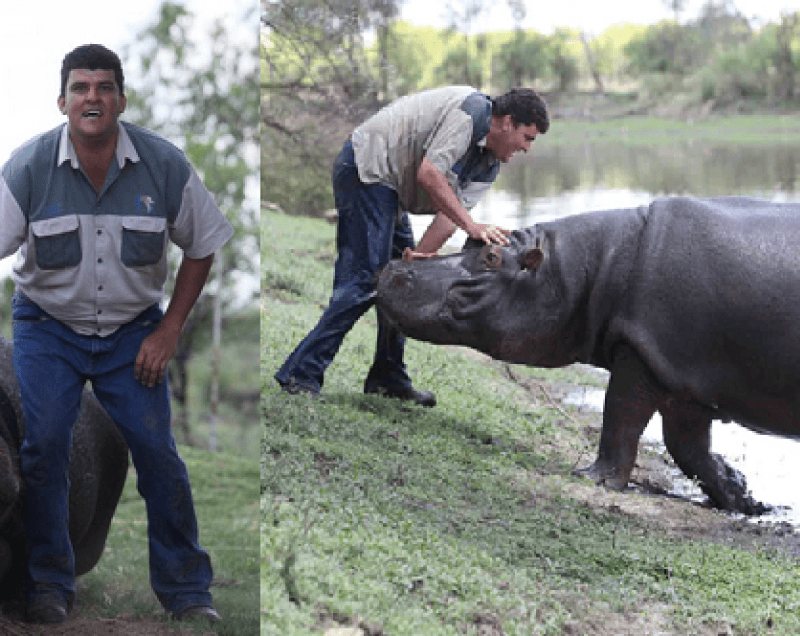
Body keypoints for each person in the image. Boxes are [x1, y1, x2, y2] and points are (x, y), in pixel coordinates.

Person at [0, 44, 234, 624]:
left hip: (134, 332)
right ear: (62, 101)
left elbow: (203, 246)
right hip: (47, 328)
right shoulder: (27, 169)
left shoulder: (163, 164)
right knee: (45, 446)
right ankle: (49, 585)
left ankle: (186, 591)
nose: (92, 97)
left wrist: (170, 329)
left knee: (159, 453)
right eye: (80, 87)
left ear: (121, 100)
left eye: (104, 87)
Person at [275, 86, 549, 406]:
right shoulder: (470, 114)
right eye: (527, 138)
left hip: (391, 189)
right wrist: (473, 227)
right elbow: (429, 175)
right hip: (368, 169)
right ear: (506, 122)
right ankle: (300, 374)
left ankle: (387, 378)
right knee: (364, 281)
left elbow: (449, 218)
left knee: (403, 280)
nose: (527, 149)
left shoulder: (489, 164)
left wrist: (419, 256)